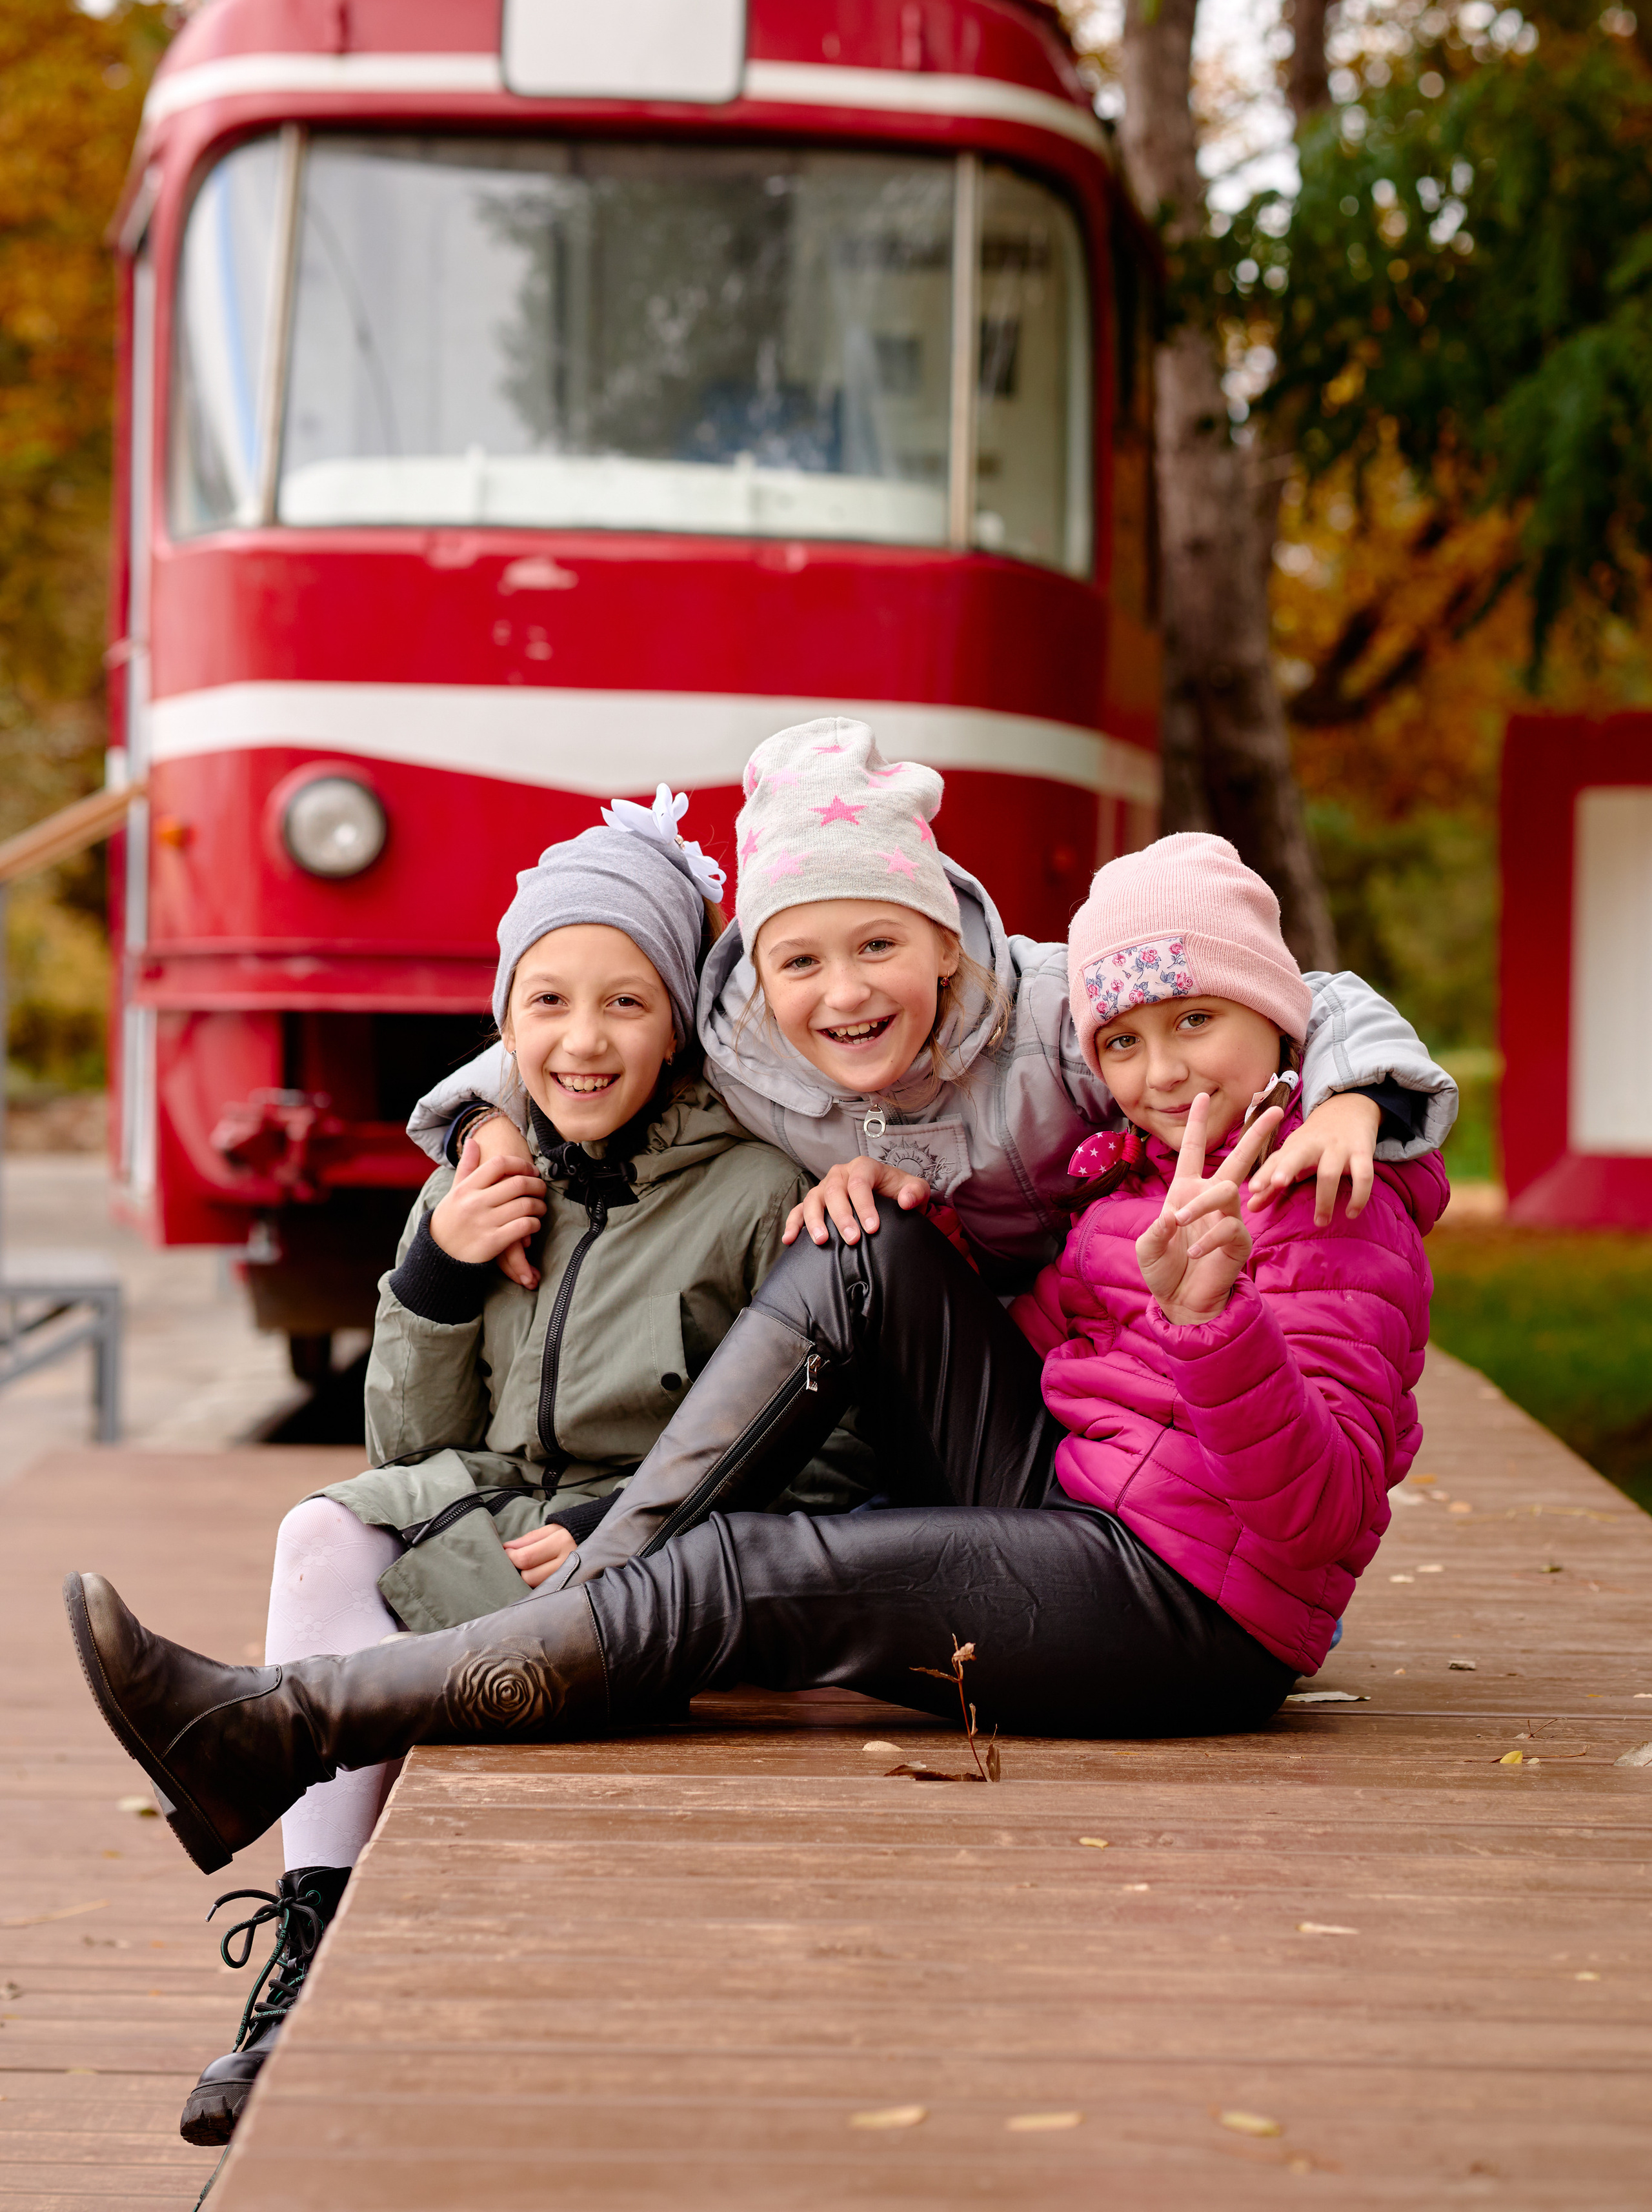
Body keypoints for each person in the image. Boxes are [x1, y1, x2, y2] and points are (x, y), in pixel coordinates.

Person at [65, 827, 1446, 1900]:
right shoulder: (1127, 1166)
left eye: (1196, 1024)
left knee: (747, 1572)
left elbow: (1315, 1518)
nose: (1160, 1070)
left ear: (1278, 1023)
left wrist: (1216, 1325)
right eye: (1124, 1040)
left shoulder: (1330, 1197)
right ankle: (609, 1585)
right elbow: (608, 1030)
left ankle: (288, 1724)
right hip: (1081, 1508)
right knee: (863, 1240)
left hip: (1194, 1614)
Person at [163, 787, 863, 2149]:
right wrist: (432, 1273)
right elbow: (408, 1456)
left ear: (678, 1023)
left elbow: (834, 1464)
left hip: (661, 1576)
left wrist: (629, 1518)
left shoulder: (757, 1194)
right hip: (501, 1520)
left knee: (384, 1593)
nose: (581, 1041)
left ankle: (296, 1846)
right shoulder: (480, 1181)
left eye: (623, 1002)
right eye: (544, 1002)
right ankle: (307, 1957)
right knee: (319, 1533)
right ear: (502, 1023)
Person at [409, 718, 1456, 1282]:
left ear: (946, 946)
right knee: (844, 1251)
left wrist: (1358, 1099)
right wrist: (489, 1123)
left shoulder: (1054, 1016)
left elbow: (1288, 997)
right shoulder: (742, 1054)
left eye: (880, 945)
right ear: (762, 982)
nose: (847, 991)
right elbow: (577, 1040)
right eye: (802, 963)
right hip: (929, 1344)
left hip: (1103, 1319)